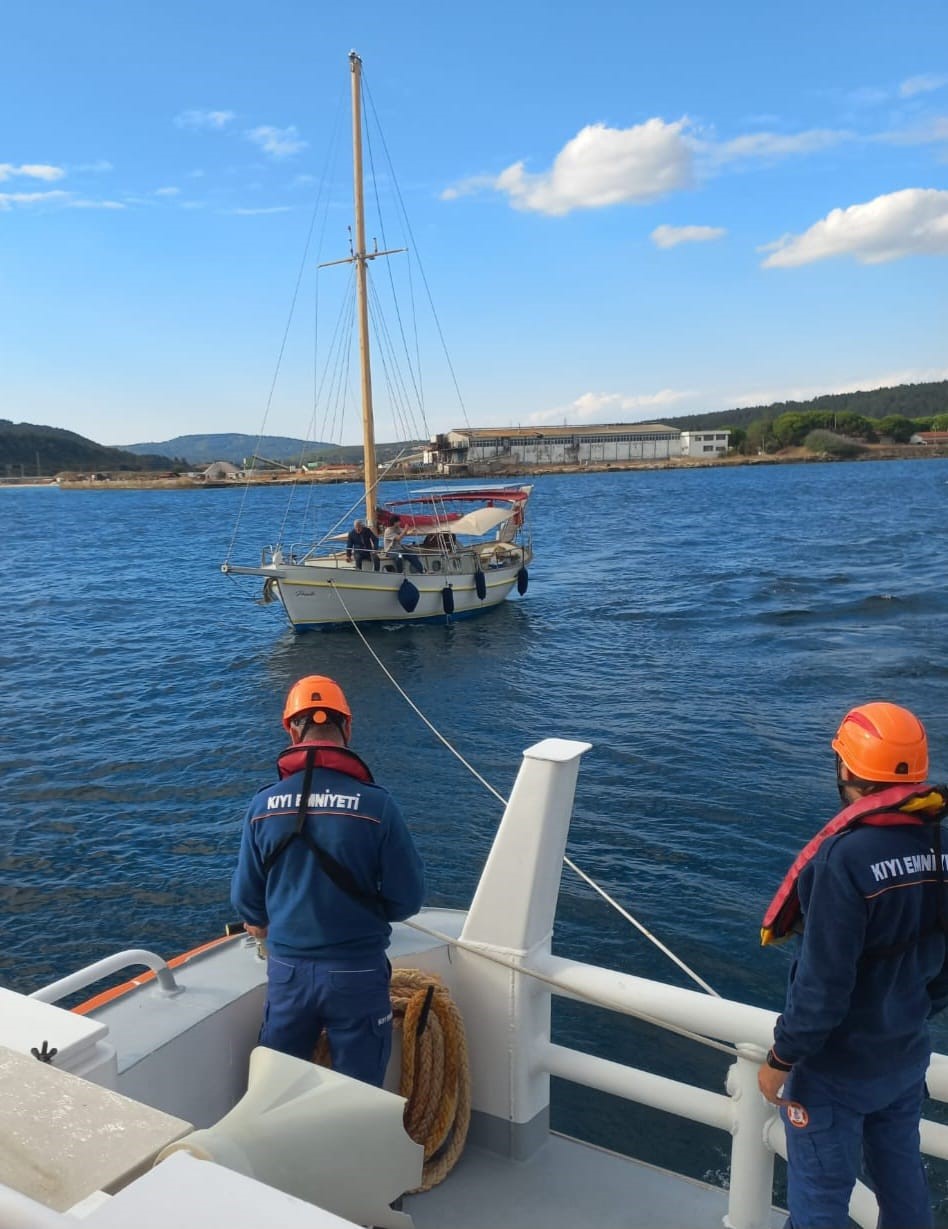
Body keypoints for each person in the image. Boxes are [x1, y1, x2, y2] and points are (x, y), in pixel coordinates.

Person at [758, 702, 948, 1229]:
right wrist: (908, 1010)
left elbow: (822, 988)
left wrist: (781, 1057)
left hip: (837, 1070)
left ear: (846, 770)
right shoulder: (940, 845)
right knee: (903, 1184)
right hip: (904, 1055)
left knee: (820, 1202)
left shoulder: (844, 859)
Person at [231, 675, 426, 1086]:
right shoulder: (377, 805)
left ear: (290, 729)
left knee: (276, 1087)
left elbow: (247, 900)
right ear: (348, 728)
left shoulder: (263, 805)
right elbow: (406, 901)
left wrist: (268, 920)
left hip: (287, 973)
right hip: (358, 972)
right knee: (358, 1093)